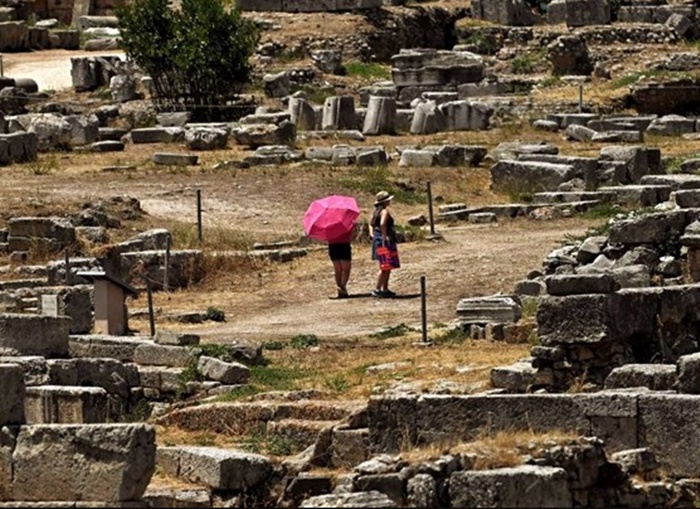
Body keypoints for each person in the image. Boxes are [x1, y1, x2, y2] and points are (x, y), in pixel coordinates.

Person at [370, 190, 399, 298]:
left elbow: (371, 224)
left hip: (378, 239)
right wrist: (385, 235)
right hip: (385, 241)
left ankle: (385, 288)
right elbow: (382, 223)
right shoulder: (384, 211)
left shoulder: (376, 212)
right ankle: (378, 289)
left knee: (387, 265)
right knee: (385, 266)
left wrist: (373, 234)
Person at [328, 231, 352, 299]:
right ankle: (342, 287)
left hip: (335, 244)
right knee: (344, 269)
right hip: (342, 244)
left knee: (339, 270)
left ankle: (341, 288)